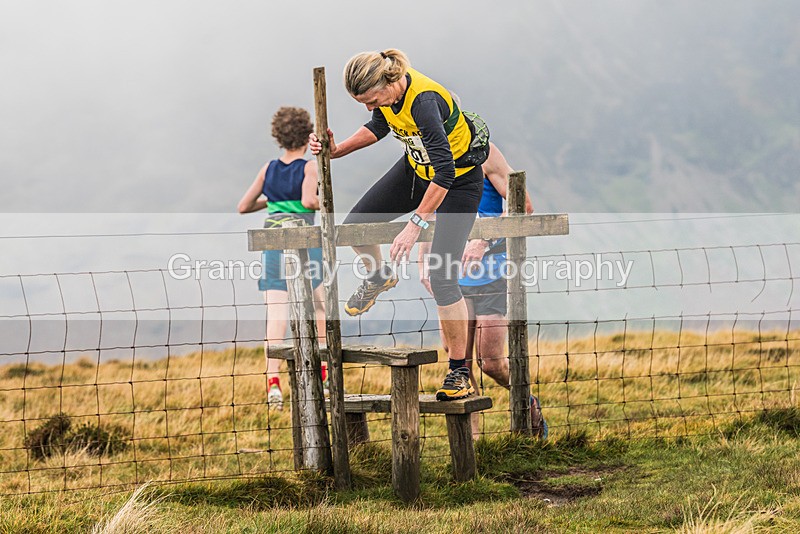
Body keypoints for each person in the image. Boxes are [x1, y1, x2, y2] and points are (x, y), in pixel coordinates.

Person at [309, 49, 487, 401]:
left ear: (390, 81)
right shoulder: (389, 100)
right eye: (363, 102)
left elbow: (446, 174)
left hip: (459, 183)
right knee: (356, 227)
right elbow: (379, 125)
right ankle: (378, 276)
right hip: (417, 172)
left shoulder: (424, 102)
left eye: (372, 99)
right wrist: (335, 150)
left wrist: (414, 224)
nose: (369, 106)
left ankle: (459, 372)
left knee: (442, 275)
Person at [419, 142, 548, 438]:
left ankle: (528, 404)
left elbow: (523, 207)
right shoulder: (427, 154)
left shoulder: (485, 153)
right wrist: (423, 260)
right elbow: (432, 211)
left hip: (492, 272)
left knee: (490, 362)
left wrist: (484, 240)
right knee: (460, 365)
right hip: (451, 275)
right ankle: (474, 445)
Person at [238, 106, 327, 411]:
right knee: (319, 304)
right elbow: (307, 201)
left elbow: (243, 206)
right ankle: (325, 374)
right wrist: (321, 200)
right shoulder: (309, 167)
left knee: (276, 312)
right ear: (306, 135)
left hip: (273, 243)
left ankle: (273, 381)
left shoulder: (268, 169)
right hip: (304, 242)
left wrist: (273, 201)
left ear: (278, 136)